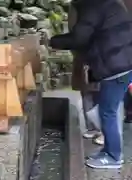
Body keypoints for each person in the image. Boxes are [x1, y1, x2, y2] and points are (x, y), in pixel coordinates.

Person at [49, 0, 132, 169]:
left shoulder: (92, 6)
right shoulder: (107, 3)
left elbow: (80, 38)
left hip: (116, 67)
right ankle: (108, 150)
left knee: (108, 112)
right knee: (108, 109)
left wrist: (53, 42)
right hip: (121, 62)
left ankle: (114, 156)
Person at [67, 2, 104, 145]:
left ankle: (103, 130)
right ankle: (92, 127)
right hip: (82, 54)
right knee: (86, 91)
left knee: (100, 92)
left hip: (100, 55)